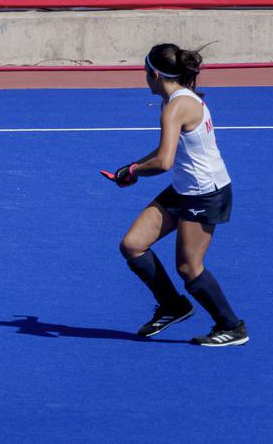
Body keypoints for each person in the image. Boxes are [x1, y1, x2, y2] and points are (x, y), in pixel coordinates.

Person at [101, 43, 247, 347]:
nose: (144, 77)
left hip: (205, 194)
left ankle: (231, 326)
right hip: (184, 188)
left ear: (155, 74)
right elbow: (167, 151)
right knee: (133, 245)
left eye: (144, 72)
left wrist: (135, 172)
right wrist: (132, 168)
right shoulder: (179, 101)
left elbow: (165, 162)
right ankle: (173, 306)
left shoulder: (175, 107)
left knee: (188, 267)